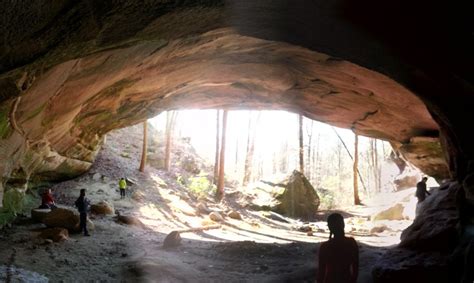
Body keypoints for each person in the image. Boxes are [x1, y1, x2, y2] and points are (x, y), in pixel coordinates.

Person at [317, 213, 358, 283]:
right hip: (347, 280)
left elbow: (321, 273)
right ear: (343, 225)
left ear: (329, 227)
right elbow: (355, 270)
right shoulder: (351, 243)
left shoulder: (325, 247)